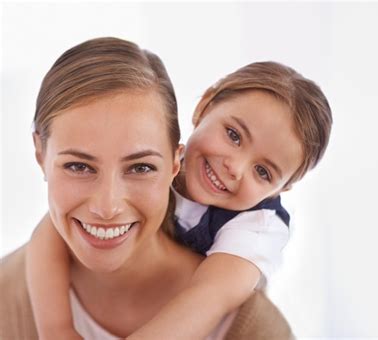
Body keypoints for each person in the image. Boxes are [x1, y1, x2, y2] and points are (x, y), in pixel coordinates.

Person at [0, 37, 295, 340]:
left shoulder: (252, 294)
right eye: (79, 166)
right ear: (40, 153)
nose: (107, 207)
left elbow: (214, 294)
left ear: (174, 163)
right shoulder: (7, 294)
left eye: (141, 168)